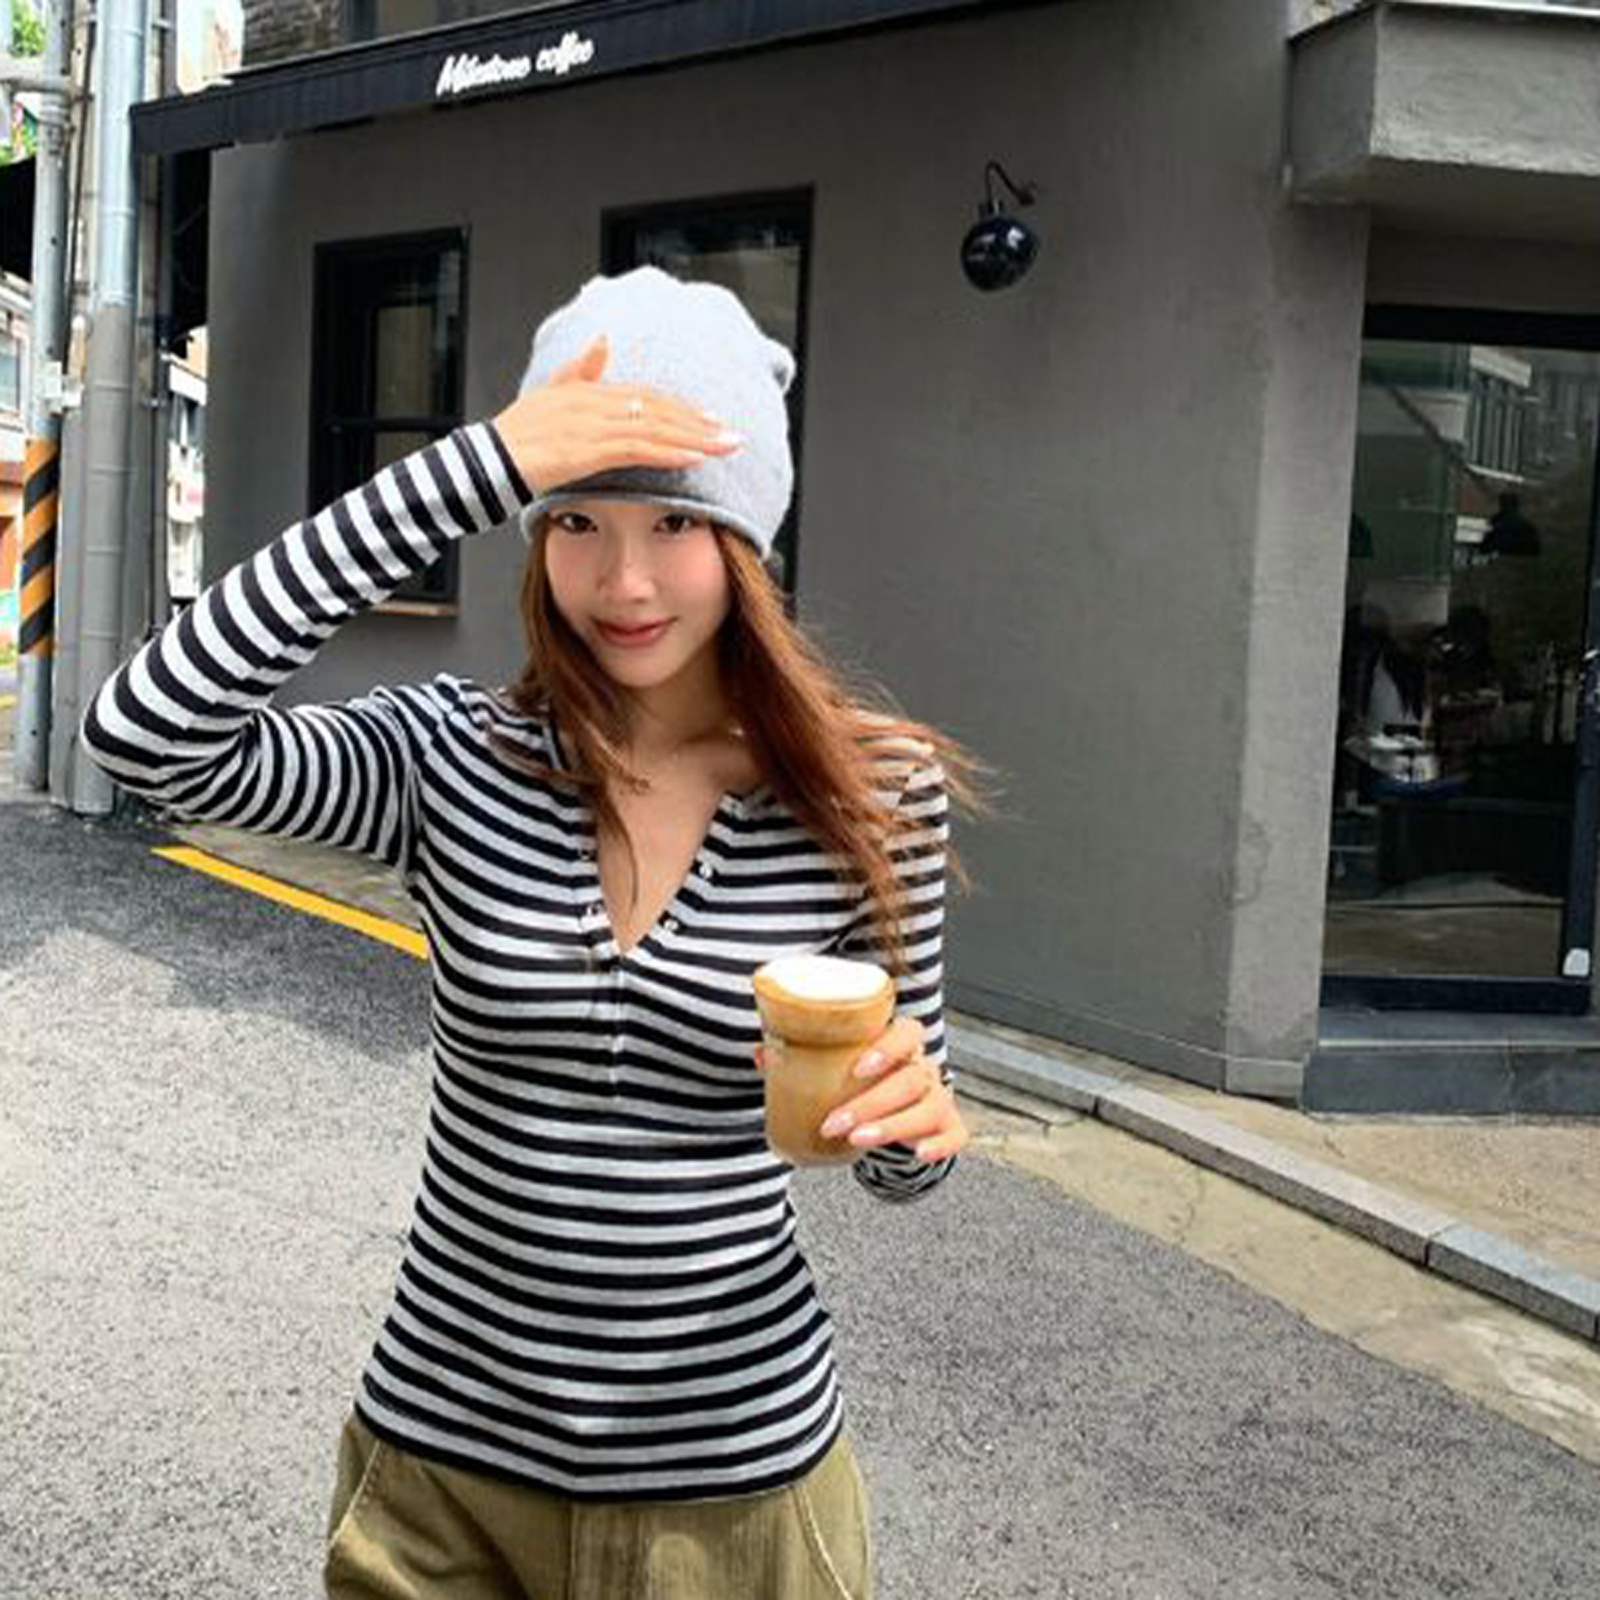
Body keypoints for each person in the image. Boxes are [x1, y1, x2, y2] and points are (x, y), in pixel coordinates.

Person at [80, 265, 991, 1599]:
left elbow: (906, 1161)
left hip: (734, 1490)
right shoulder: (451, 759)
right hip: (444, 1476)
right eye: (574, 519)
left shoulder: (874, 791)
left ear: (747, 540)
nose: (624, 579)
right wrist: (475, 467)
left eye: (675, 520)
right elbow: (143, 733)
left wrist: (912, 1123)